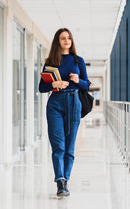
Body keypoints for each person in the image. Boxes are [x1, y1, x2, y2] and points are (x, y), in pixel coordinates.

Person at [38, 28, 90, 197]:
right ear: (57, 41)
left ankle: (65, 180)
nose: (67, 40)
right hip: (55, 103)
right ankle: (60, 181)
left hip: (74, 103)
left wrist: (78, 80)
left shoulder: (78, 60)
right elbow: (41, 87)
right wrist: (55, 84)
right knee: (58, 145)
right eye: (63, 38)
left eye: (69, 38)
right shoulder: (51, 61)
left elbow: (87, 84)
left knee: (69, 147)